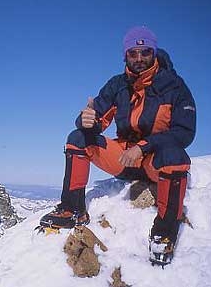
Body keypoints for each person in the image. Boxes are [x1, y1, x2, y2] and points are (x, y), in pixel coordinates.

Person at [40, 26, 196, 263]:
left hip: (156, 161)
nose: (139, 58)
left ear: (154, 53)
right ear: (125, 55)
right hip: (124, 159)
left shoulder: (175, 87)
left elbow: (184, 132)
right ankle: (73, 210)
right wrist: (86, 121)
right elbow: (96, 116)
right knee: (78, 138)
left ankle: (164, 233)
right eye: (133, 53)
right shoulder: (117, 85)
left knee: (176, 155)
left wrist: (144, 146)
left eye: (145, 52)